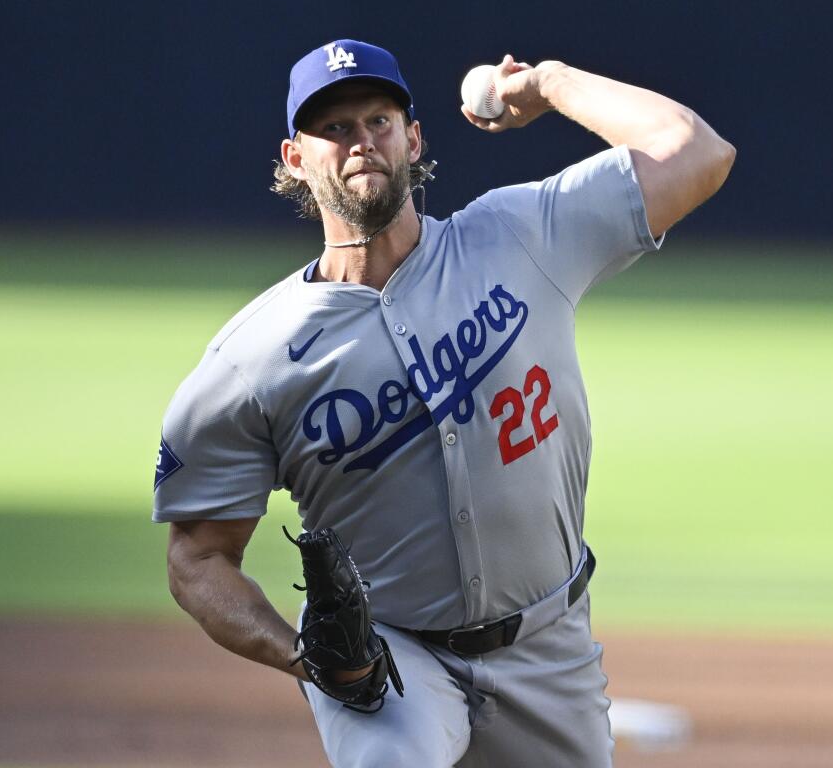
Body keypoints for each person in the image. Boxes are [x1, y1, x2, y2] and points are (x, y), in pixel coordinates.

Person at [154, 38, 734, 767]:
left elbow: (696, 151)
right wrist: (303, 657)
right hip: (391, 661)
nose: (360, 141)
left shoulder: (518, 237)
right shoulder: (251, 360)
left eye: (378, 120)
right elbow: (199, 557)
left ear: (413, 138)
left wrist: (550, 84)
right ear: (295, 159)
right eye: (333, 129)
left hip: (548, 646)